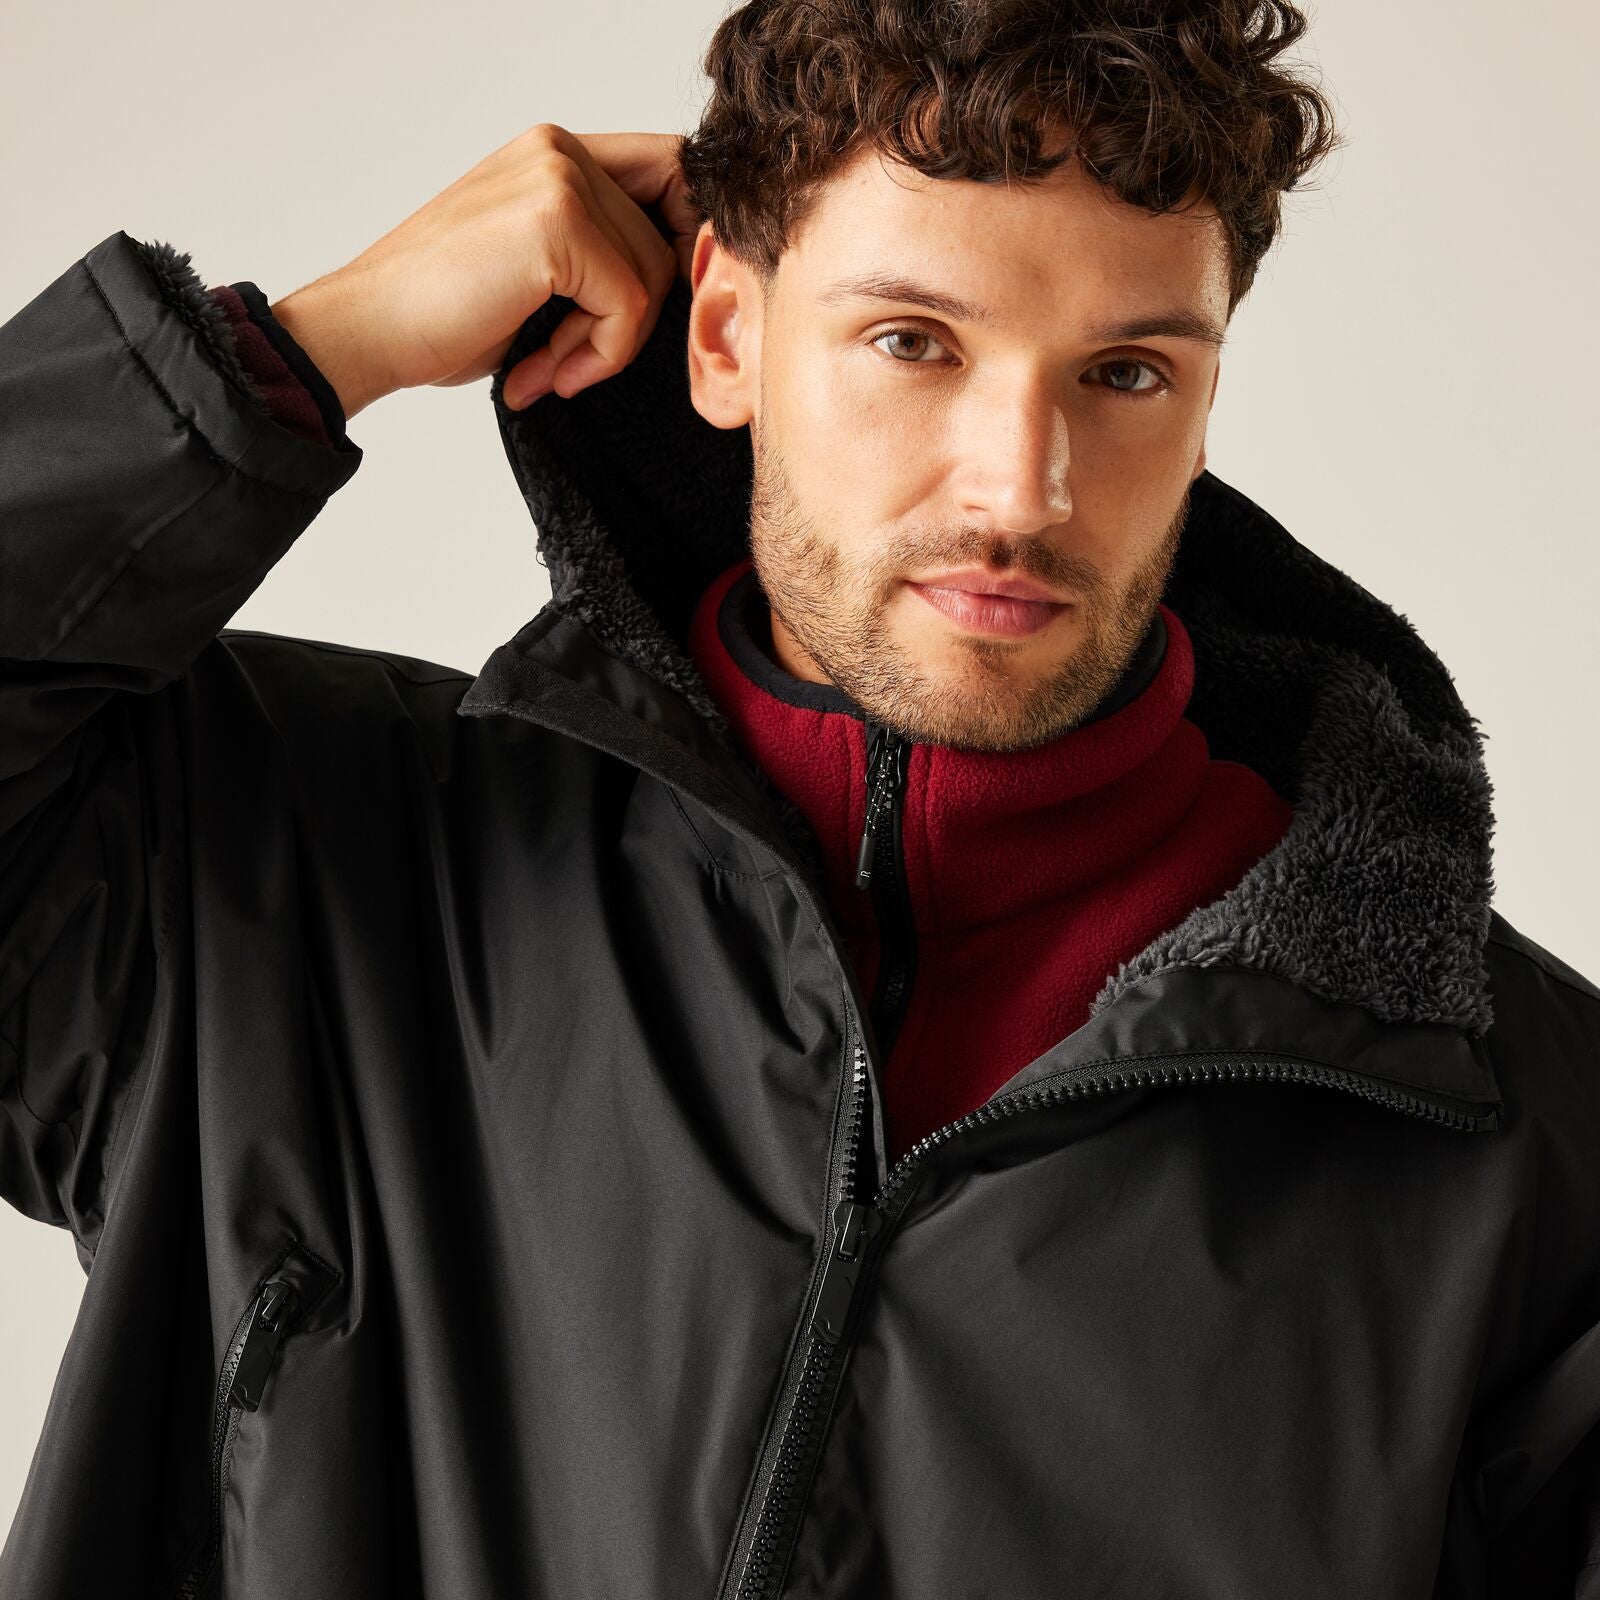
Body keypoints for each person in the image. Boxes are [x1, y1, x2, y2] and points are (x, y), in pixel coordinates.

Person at [1, 0, 1596, 1594]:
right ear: (724, 335)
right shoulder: (283, 868)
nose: (1022, 487)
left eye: (1125, 372)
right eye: (914, 342)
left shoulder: (1519, 1147)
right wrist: (305, 351)